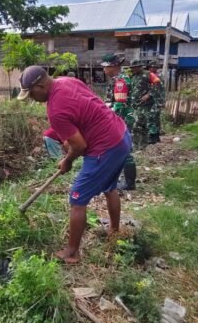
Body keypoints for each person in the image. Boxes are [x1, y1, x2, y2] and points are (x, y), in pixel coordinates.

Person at [17, 65, 131, 264]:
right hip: (121, 135)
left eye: (32, 94)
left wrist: (67, 160)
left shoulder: (56, 109)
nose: (32, 99)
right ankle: (114, 232)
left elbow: (79, 145)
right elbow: (84, 110)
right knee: (110, 187)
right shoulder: (65, 81)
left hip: (105, 147)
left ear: (41, 86)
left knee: (77, 198)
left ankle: (72, 251)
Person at [102, 54, 137, 191]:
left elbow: (120, 105)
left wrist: (107, 116)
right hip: (122, 119)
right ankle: (125, 179)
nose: (104, 70)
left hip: (122, 119)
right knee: (122, 149)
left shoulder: (120, 81)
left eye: (106, 67)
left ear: (114, 66)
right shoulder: (119, 79)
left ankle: (129, 183)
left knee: (125, 149)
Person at [128, 60, 153, 148]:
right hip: (135, 104)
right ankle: (137, 145)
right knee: (137, 124)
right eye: (131, 68)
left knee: (140, 124)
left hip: (145, 105)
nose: (132, 69)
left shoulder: (148, 74)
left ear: (139, 67)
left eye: (134, 67)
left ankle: (142, 144)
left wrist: (148, 94)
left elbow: (158, 85)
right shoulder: (132, 76)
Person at [147, 65, 164, 144]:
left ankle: (153, 136)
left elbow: (156, 90)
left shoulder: (156, 77)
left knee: (152, 118)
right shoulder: (157, 76)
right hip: (157, 100)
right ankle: (156, 136)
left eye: (153, 67)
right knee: (156, 119)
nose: (151, 69)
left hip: (155, 101)